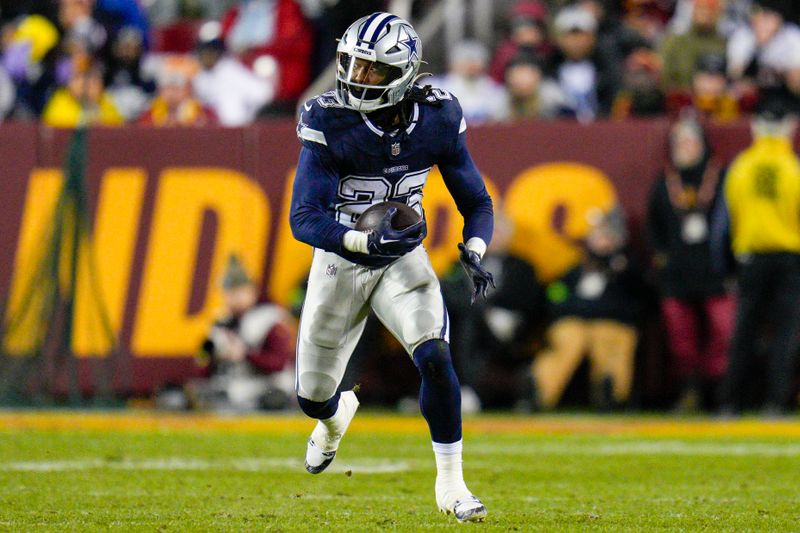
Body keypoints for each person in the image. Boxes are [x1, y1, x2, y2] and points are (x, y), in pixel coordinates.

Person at [289, 13, 494, 522]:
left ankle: (452, 485)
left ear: (402, 74)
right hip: (341, 258)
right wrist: (360, 238)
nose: (356, 77)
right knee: (312, 397)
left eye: (372, 70)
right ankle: (335, 419)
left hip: (402, 257)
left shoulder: (439, 117)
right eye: (351, 64)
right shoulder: (328, 120)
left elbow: (478, 202)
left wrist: (475, 249)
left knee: (434, 356)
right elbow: (304, 217)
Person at [716, 99, 800, 417]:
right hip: (789, 258)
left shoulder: (741, 167)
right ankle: (776, 402)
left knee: (743, 333)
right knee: (784, 333)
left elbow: (724, 222)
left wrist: (725, 264)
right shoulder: (793, 167)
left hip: (750, 257)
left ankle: (730, 402)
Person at [647, 117, 734, 411]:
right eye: (679, 143)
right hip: (677, 273)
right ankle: (689, 391)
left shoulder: (721, 178)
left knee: (724, 331)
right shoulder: (665, 182)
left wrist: (732, 265)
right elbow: (654, 227)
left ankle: (719, 393)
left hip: (716, 271)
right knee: (680, 338)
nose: (684, 148)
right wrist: (663, 260)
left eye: (689, 141)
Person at [532, 206, 642, 410]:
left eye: (607, 234)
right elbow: (555, 294)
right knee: (568, 340)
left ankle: (611, 395)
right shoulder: (577, 268)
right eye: (597, 234)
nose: (601, 239)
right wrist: (567, 306)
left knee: (609, 341)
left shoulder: (627, 269)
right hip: (575, 321)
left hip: (612, 323)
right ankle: (538, 391)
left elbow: (636, 302)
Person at [185, 254, 295, 412]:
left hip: (268, 387)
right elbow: (200, 365)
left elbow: (279, 364)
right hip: (234, 387)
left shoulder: (270, 319)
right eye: (229, 293)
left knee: (273, 399)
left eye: (239, 292)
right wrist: (210, 354)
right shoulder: (221, 323)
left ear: (252, 292)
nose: (233, 299)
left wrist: (245, 355)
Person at [428, 40, 508, 125]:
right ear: (452, 63)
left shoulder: (496, 90)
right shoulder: (433, 85)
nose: (470, 65)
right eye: (465, 60)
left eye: (476, 60)